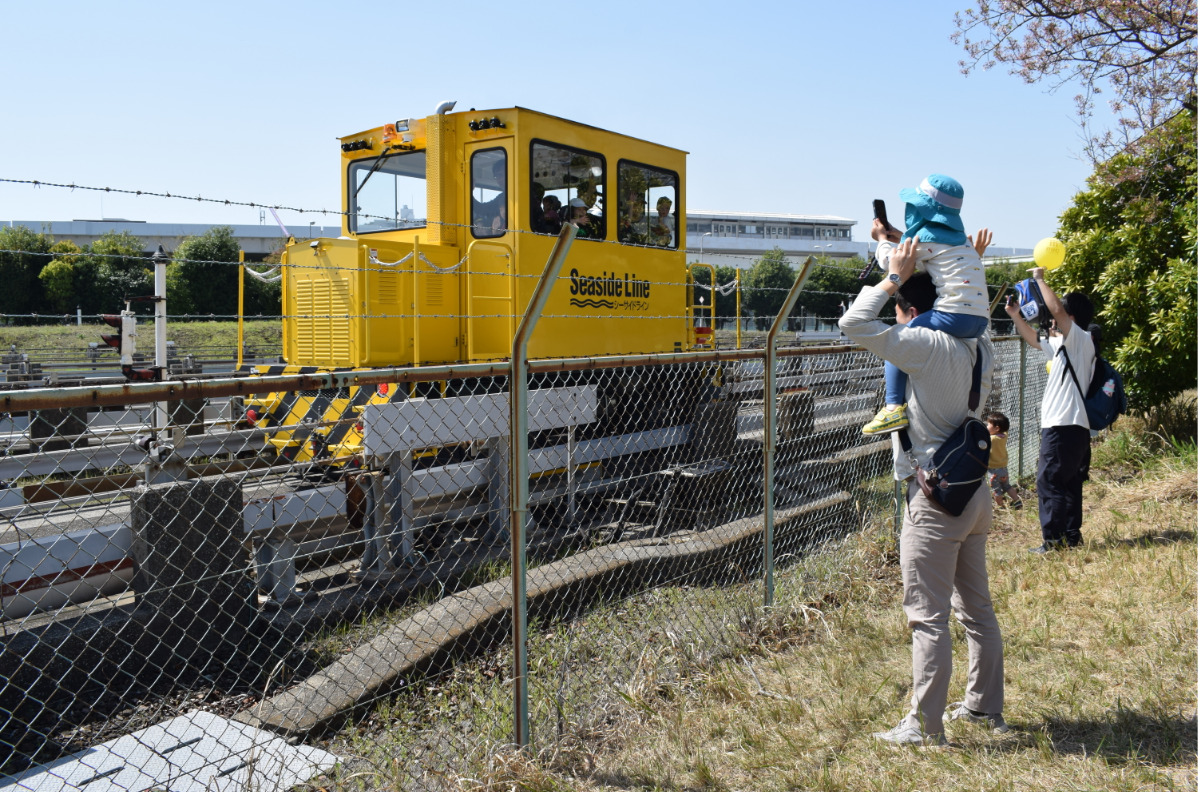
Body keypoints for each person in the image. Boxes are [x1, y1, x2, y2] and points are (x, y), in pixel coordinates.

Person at [840, 237, 1006, 746]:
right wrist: (961, 265)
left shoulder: (923, 345)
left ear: (910, 311)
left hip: (934, 499)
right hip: (973, 493)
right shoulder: (980, 345)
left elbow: (853, 324)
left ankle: (925, 726)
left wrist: (892, 275)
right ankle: (983, 707)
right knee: (977, 609)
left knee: (927, 617)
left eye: (900, 310)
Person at [862, 174, 992, 436]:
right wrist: (900, 237)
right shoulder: (960, 241)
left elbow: (892, 262)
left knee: (898, 341)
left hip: (953, 315)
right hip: (979, 321)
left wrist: (882, 240)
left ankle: (892, 407)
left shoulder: (927, 239)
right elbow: (924, 253)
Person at [1005, 269, 1095, 553]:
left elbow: (1057, 309)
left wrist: (1040, 279)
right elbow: (1034, 339)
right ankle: (1070, 536)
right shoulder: (1067, 345)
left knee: (1049, 480)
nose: (1053, 319)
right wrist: (1015, 315)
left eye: (1060, 315)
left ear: (1071, 318)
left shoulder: (1079, 338)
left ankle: (1054, 541)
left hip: (1063, 424)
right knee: (1068, 482)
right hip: (1071, 425)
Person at [985, 411, 1023, 509]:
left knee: (996, 490)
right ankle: (1017, 501)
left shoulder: (991, 439)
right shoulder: (1004, 436)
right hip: (1003, 468)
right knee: (1007, 486)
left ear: (997, 428)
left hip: (993, 471)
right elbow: (1005, 430)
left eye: (988, 425)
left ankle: (1000, 506)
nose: (986, 426)